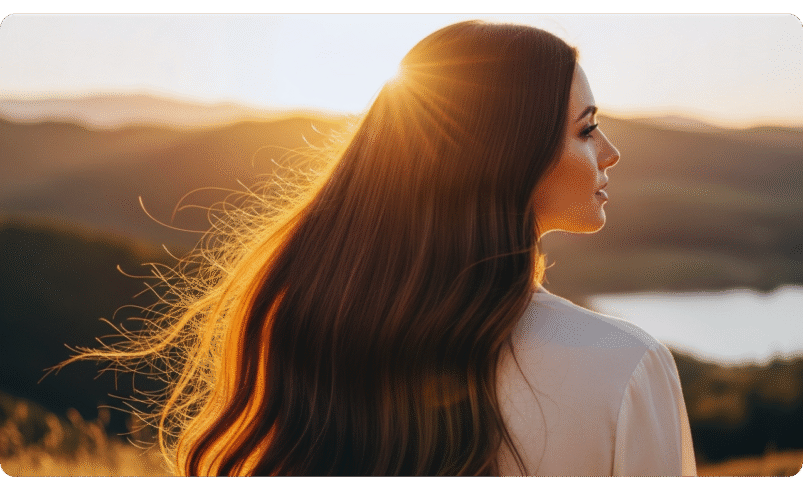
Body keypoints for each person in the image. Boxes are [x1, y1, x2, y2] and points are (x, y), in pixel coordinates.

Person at [71, 20, 696, 476]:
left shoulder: (314, 331)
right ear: (507, 157)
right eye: (587, 129)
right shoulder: (627, 369)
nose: (610, 152)